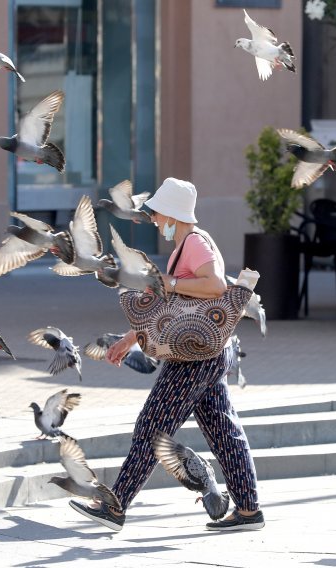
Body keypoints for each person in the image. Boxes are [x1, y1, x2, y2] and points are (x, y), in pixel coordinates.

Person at [69, 177, 263, 531]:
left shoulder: (194, 243)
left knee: (151, 425)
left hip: (193, 358)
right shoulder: (185, 245)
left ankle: (116, 507)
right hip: (205, 352)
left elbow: (216, 284)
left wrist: (170, 281)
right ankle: (249, 511)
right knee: (223, 430)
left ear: (172, 213)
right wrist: (130, 339)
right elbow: (172, 309)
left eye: (157, 213)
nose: (155, 220)